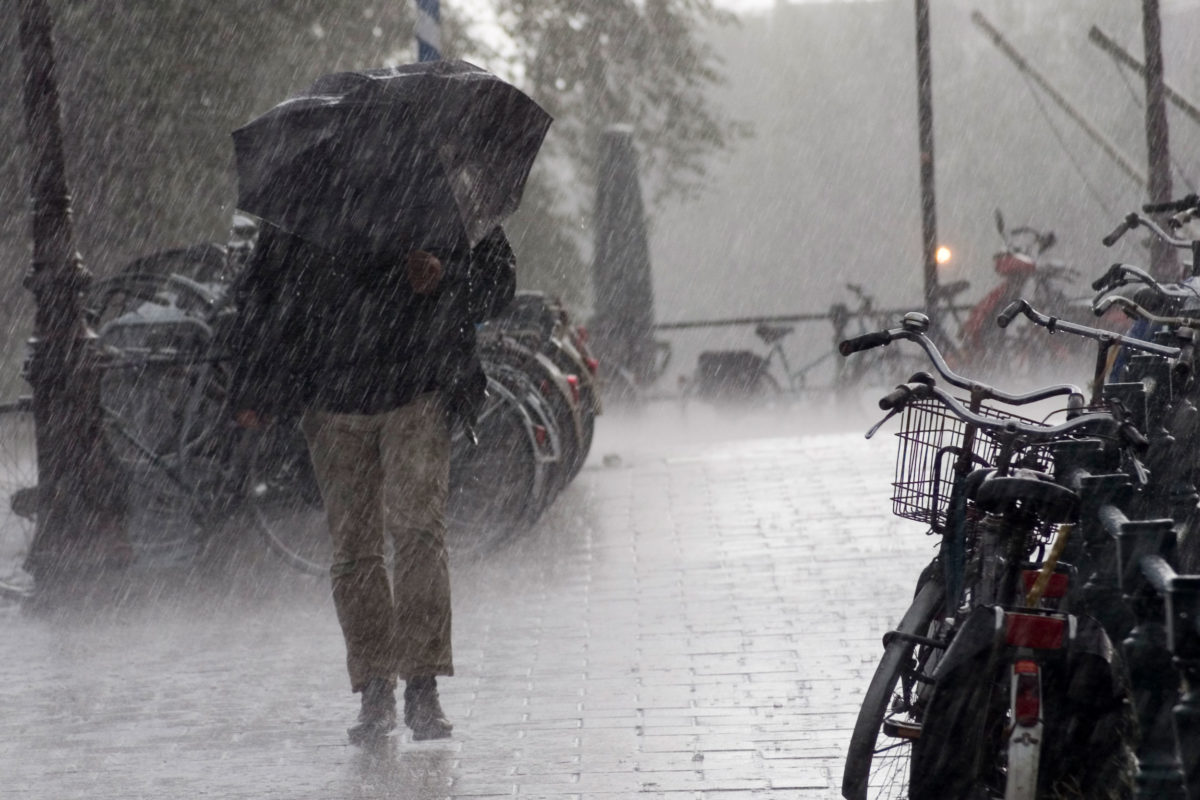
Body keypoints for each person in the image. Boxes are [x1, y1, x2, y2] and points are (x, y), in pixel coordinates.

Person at [226, 220, 515, 743]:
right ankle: (376, 689)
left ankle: (422, 687)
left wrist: (445, 275)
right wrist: (255, 386)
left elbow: (497, 286)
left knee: (419, 534)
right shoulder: (308, 198)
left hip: (418, 389)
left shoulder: (440, 187)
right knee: (355, 549)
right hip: (332, 398)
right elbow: (264, 293)